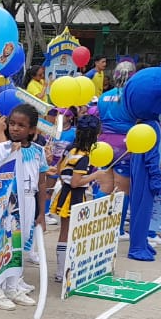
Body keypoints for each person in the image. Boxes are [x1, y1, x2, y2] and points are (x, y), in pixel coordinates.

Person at [0, 103, 45, 311]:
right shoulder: (2, 149)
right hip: (8, 201)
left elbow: (42, 182)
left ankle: (12, 287)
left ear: (32, 129)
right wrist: (12, 153)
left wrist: (41, 213)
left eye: (21, 125)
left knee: (20, 244)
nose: (15, 128)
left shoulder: (38, 151)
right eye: (12, 124)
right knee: (4, 244)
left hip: (28, 200)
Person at [53, 115, 101, 281]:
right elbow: (76, 182)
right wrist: (95, 175)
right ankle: (63, 271)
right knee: (70, 233)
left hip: (65, 193)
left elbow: (59, 168)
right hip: (74, 197)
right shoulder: (84, 157)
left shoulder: (70, 149)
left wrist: (64, 181)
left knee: (65, 232)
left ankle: (62, 270)